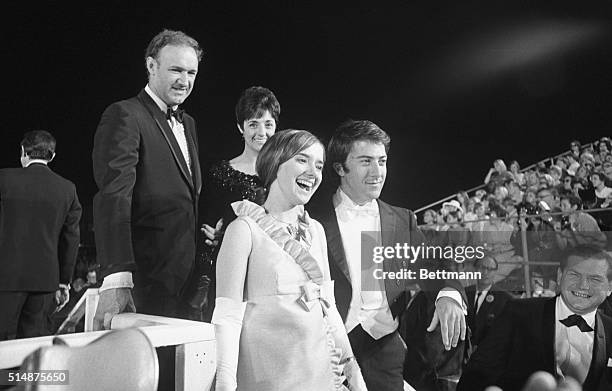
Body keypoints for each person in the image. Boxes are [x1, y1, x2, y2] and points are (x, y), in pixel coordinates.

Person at [315, 120, 466, 391]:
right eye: (365, 161)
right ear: (340, 167)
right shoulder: (312, 217)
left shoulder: (402, 219)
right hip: (323, 348)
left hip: (383, 347)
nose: (377, 172)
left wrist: (449, 294)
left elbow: (433, 267)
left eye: (382, 161)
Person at [212, 130, 367, 390]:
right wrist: (226, 381)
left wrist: (353, 371)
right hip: (268, 377)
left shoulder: (315, 231)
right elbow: (227, 316)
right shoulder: (244, 230)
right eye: (302, 160)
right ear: (275, 163)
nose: (313, 172)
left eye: (319, 165)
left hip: (317, 376)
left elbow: (328, 307)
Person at [92, 29, 203, 325]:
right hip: (143, 284)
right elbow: (114, 197)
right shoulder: (125, 115)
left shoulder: (188, 123)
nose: (185, 80)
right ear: (151, 66)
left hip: (186, 286)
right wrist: (116, 278)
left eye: (191, 71)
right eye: (176, 69)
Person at [458, 245, 612, 391]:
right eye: (574, 275)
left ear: (610, 287)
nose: (583, 285)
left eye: (595, 279)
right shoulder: (518, 313)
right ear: (559, 276)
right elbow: (475, 375)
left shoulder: (610, 329)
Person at [191, 86, 280, 321]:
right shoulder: (221, 173)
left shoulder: (284, 173)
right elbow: (207, 232)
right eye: (253, 124)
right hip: (230, 278)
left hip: (273, 275)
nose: (261, 132)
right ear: (241, 127)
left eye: (268, 124)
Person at [0, 130, 82, 340]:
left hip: (5, 279)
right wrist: (64, 282)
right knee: (34, 347)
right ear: (52, 156)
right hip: (45, 282)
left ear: (23, 152)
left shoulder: (4, 180)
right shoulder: (67, 189)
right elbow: (70, 240)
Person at [464, 256, 513, 359]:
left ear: (495, 272)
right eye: (481, 267)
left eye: (490, 269)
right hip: (461, 357)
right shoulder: (463, 293)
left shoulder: (505, 299)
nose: (485, 272)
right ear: (475, 269)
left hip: (489, 358)